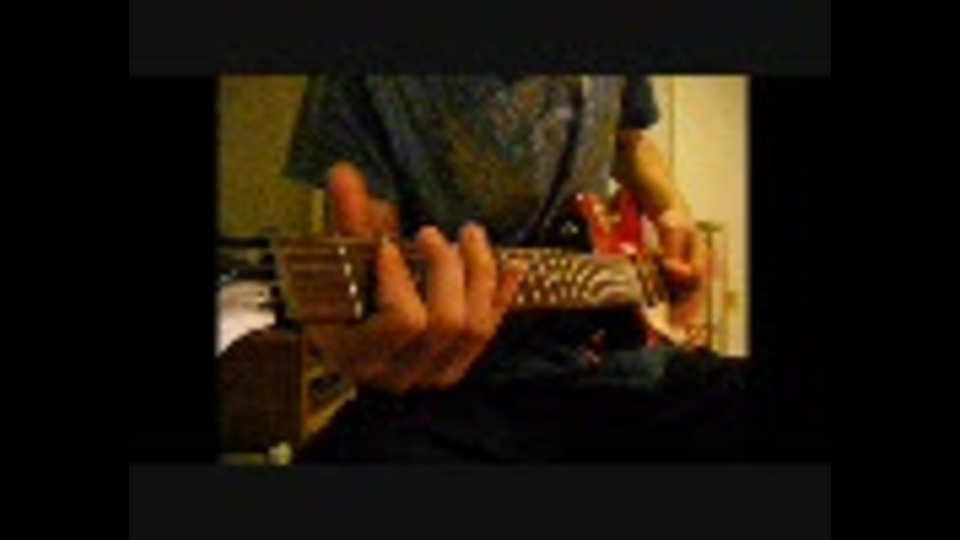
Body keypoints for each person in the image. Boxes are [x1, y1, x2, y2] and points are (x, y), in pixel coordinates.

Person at [283, 75, 752, 462]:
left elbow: (628, 141)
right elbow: (366, 263)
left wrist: (673, 213)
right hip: (451, 389)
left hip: (612, 362)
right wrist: (375, 339)